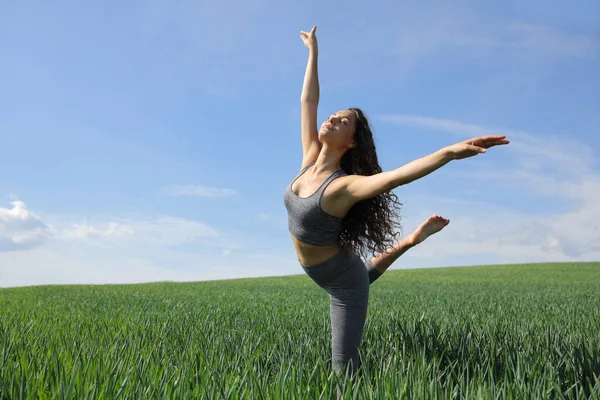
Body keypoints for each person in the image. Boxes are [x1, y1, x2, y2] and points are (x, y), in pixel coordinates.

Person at [283, 26, 510, 375]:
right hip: (332, 269)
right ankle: (412, 239)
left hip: (343, 283)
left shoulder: (345, 186)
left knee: (343, 371)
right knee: (365, 271)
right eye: (334, 114)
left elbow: (398, 176)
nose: (331, 118)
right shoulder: (309, 159)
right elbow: (308, 101)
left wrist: (449, 152)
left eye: (343, 121)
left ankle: (410, 241)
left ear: (351, 142)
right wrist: (313, 52)